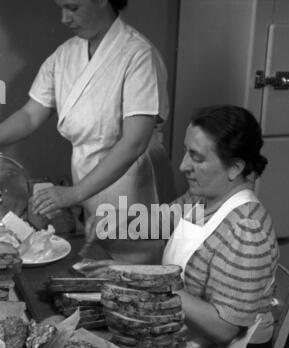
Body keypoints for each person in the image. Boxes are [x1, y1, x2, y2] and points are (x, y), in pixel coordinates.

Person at [0, 0, 175, 262]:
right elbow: (30, 114)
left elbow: (134, 142)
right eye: (60, 8)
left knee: (135, 272)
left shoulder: (137, 54)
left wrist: (73, 193)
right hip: (89, 186)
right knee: (97, 266)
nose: (64, 18)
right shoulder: (65, 55)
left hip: (132, 187)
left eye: (73, 8)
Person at [161, 106, 279, 348]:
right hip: (189, 336)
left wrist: (156, 284)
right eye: (186, 152)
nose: (183, 166)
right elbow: (160, 221)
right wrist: (110, 224)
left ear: (235, 168)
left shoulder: (245, 230)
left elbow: (224, 328)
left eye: (197, 157)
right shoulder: (201, 198)